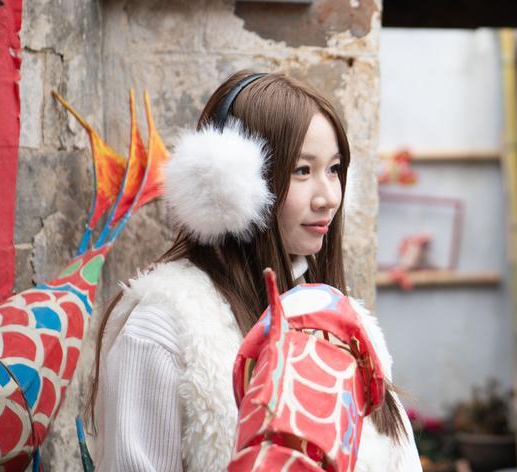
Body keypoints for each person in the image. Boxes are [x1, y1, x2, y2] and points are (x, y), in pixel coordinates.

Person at [87, 71, 422, 472]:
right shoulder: (163, 328)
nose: (329, 197)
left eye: (334, 169)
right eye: (302, 170)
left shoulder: (350, 327)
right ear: (229, 185)